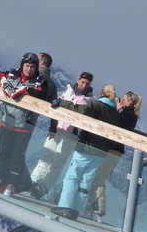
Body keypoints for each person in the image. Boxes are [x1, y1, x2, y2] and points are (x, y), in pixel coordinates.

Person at [50, 84, 120, 220]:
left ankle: (65, 206)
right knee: (85, 181)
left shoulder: (96, 106)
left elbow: (79, 109)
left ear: (101, 92)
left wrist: (62, 102)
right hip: (102, 153)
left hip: (86, 148)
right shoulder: (115, 114)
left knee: (72, 176)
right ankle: (76, 210)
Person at [0, 53, 50, 196]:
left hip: (25, 125)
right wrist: (5, 84)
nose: (29, 69)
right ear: (22, 65)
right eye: (27, 66)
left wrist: (22, 91)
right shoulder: (13, 74)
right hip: (7, 120)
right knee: (3, 153)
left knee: (17, 155)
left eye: (33, 67)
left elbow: (41, 93)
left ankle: (12, 184)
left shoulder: (40, 81)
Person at [30, 72, 95, 200]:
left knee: (57, 163)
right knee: (44, 158)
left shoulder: (89, 100)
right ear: (78, 80)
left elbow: (78, 112)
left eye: (87, 84)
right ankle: (32, 182)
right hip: (57, 129)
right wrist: (52, 127)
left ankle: (44, 187)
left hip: (71, 135)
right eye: (82, 82)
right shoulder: (68, 91)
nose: (84, 85)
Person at [84, 91, 142, 222]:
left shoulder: (128, 115)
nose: (121, 100)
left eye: (124, 99)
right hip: (115, 150)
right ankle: (93, 208)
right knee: (99, 177)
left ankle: (96, 209)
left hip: (112, 150)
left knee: (99, 177)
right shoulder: (130, 115)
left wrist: (116, 110)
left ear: (129, 102)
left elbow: (115, 125)